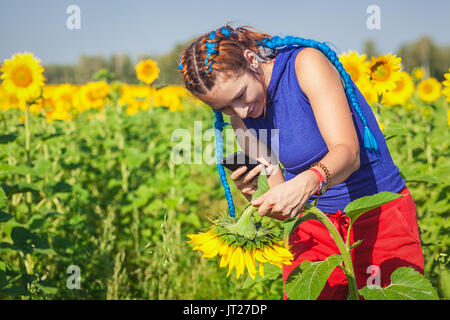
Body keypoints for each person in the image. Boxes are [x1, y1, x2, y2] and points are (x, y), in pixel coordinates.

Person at [177, 24, 425, 300]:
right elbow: (284, 204)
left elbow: (347, 152)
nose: (241, 111)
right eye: (223, 108)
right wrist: (259, 198)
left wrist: (309, 181)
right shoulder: (241, 118)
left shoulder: (305, 65)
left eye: (240, 96)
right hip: (314, 224)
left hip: (376, 213)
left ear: (250, 60)